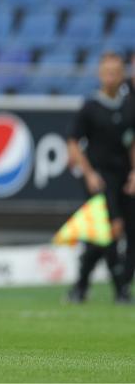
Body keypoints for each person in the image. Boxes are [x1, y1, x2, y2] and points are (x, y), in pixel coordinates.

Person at [66, 52, 135, 304]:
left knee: (110, 235)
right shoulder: (90, 107)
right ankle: (121, 290)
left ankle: (81, 286)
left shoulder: (129, 106)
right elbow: (73, 142)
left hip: (125, 178)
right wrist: (89, 174)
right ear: (99, 74)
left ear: (122, 75)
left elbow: (132, 143)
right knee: (111, 229)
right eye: (107, 72)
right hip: (100, 179)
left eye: (115, 72)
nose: (111, 77)